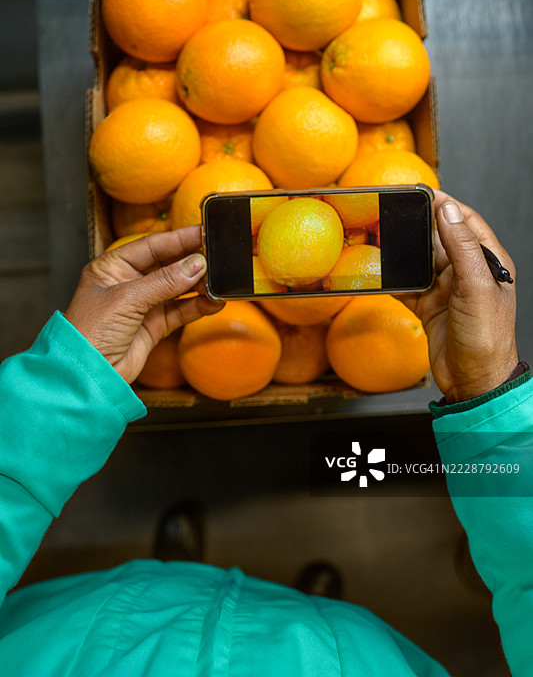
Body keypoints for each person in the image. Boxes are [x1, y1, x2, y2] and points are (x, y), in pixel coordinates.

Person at [0, 190, 530, 676]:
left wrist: (67, 384)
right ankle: (299, 605)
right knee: (306, 624)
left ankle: (177, 572)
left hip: (96, 625)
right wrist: (489, 392)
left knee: (166, 588)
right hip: (344, 655)